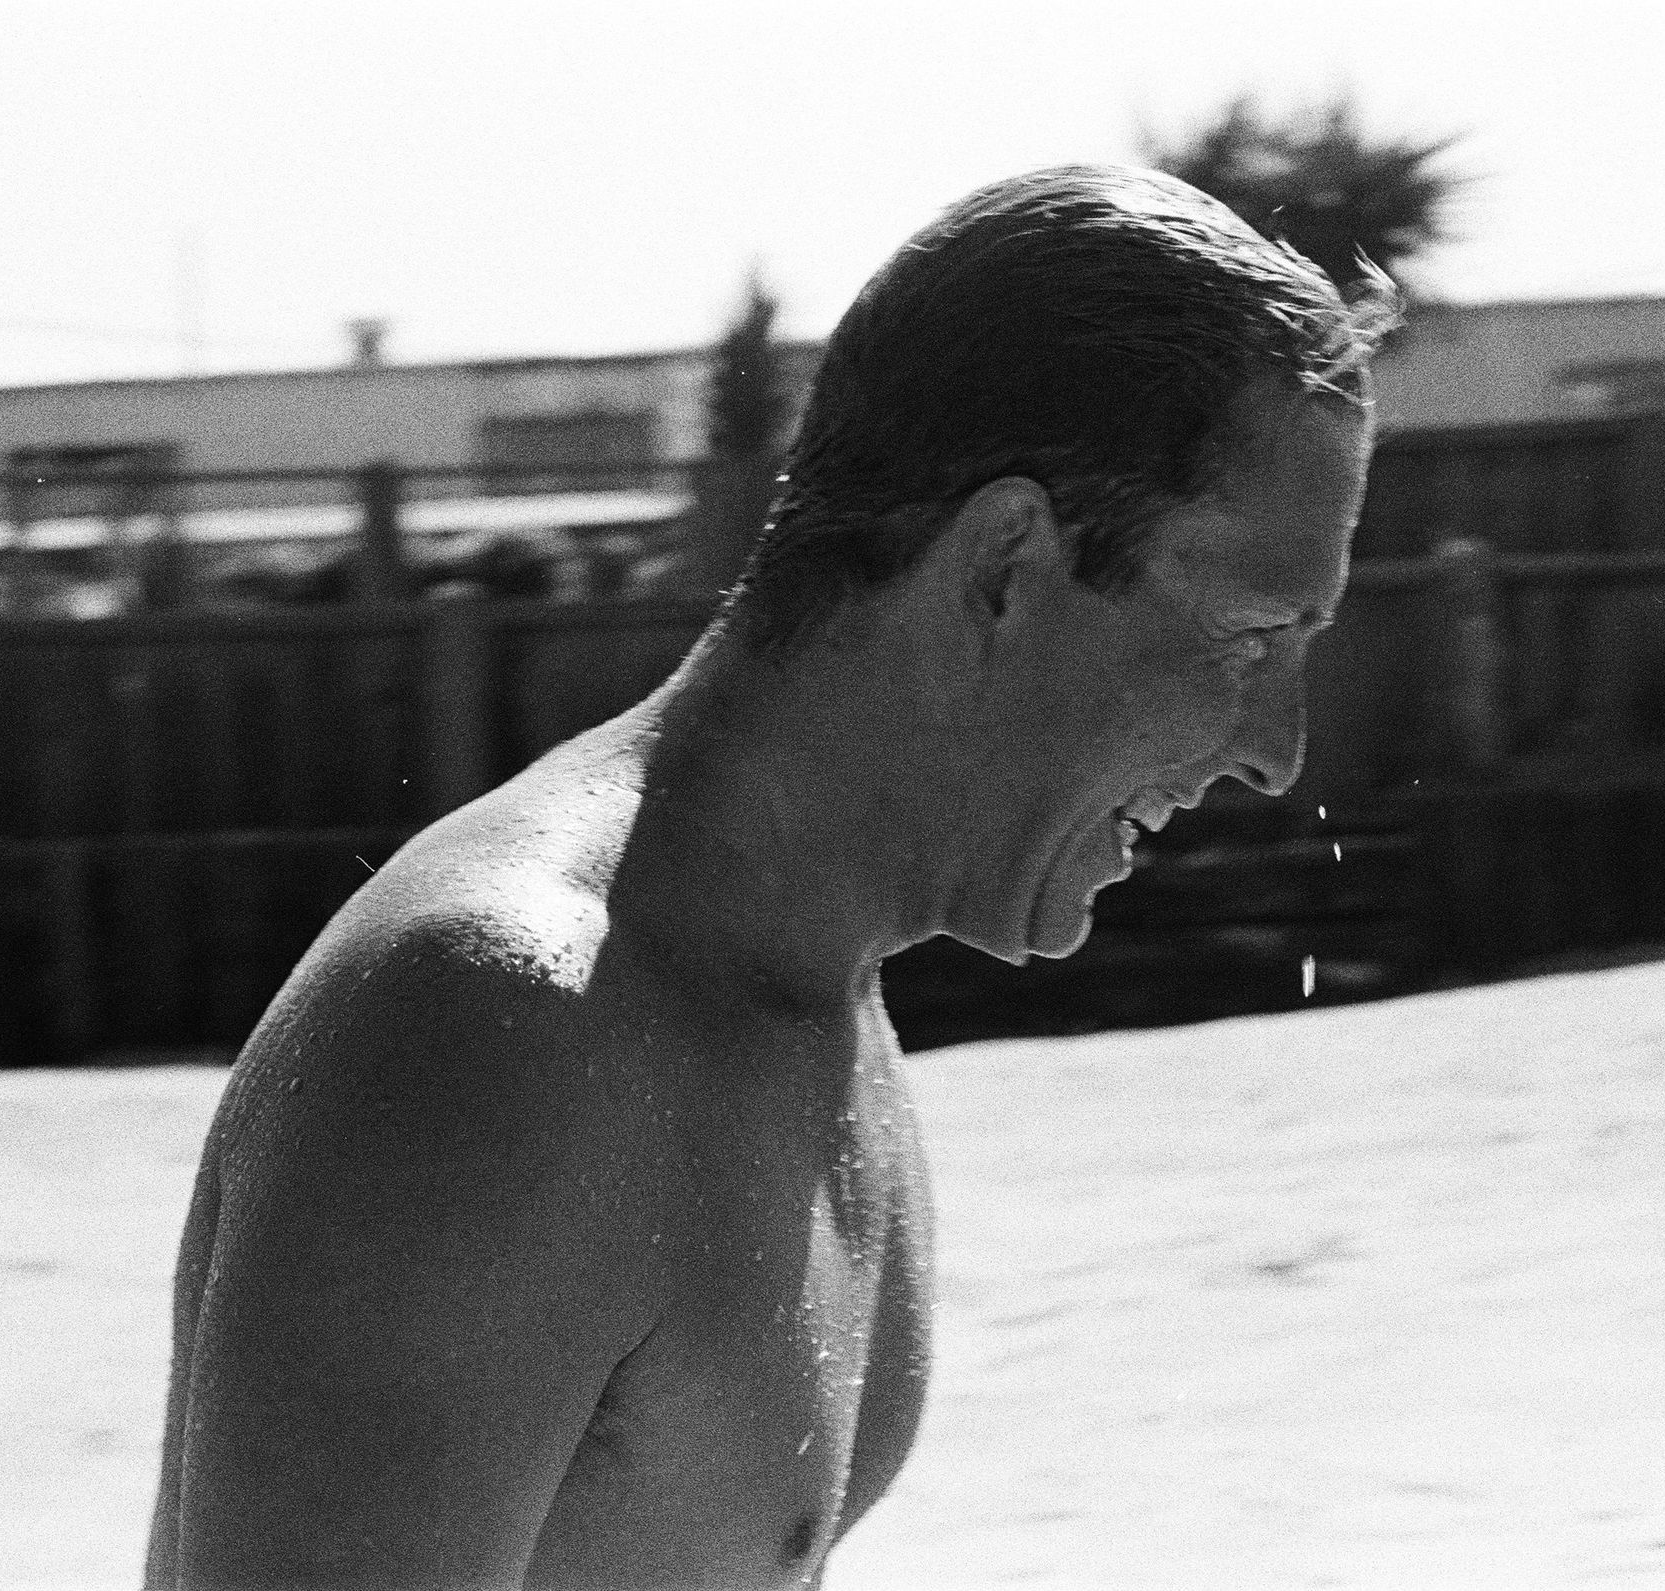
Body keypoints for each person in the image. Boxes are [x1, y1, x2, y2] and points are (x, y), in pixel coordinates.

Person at [144, 163, 1398, 1591]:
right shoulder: (509, 1040)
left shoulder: (811, 989)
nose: (1278, 755)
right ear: (1004, 564)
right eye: (1251, 636)